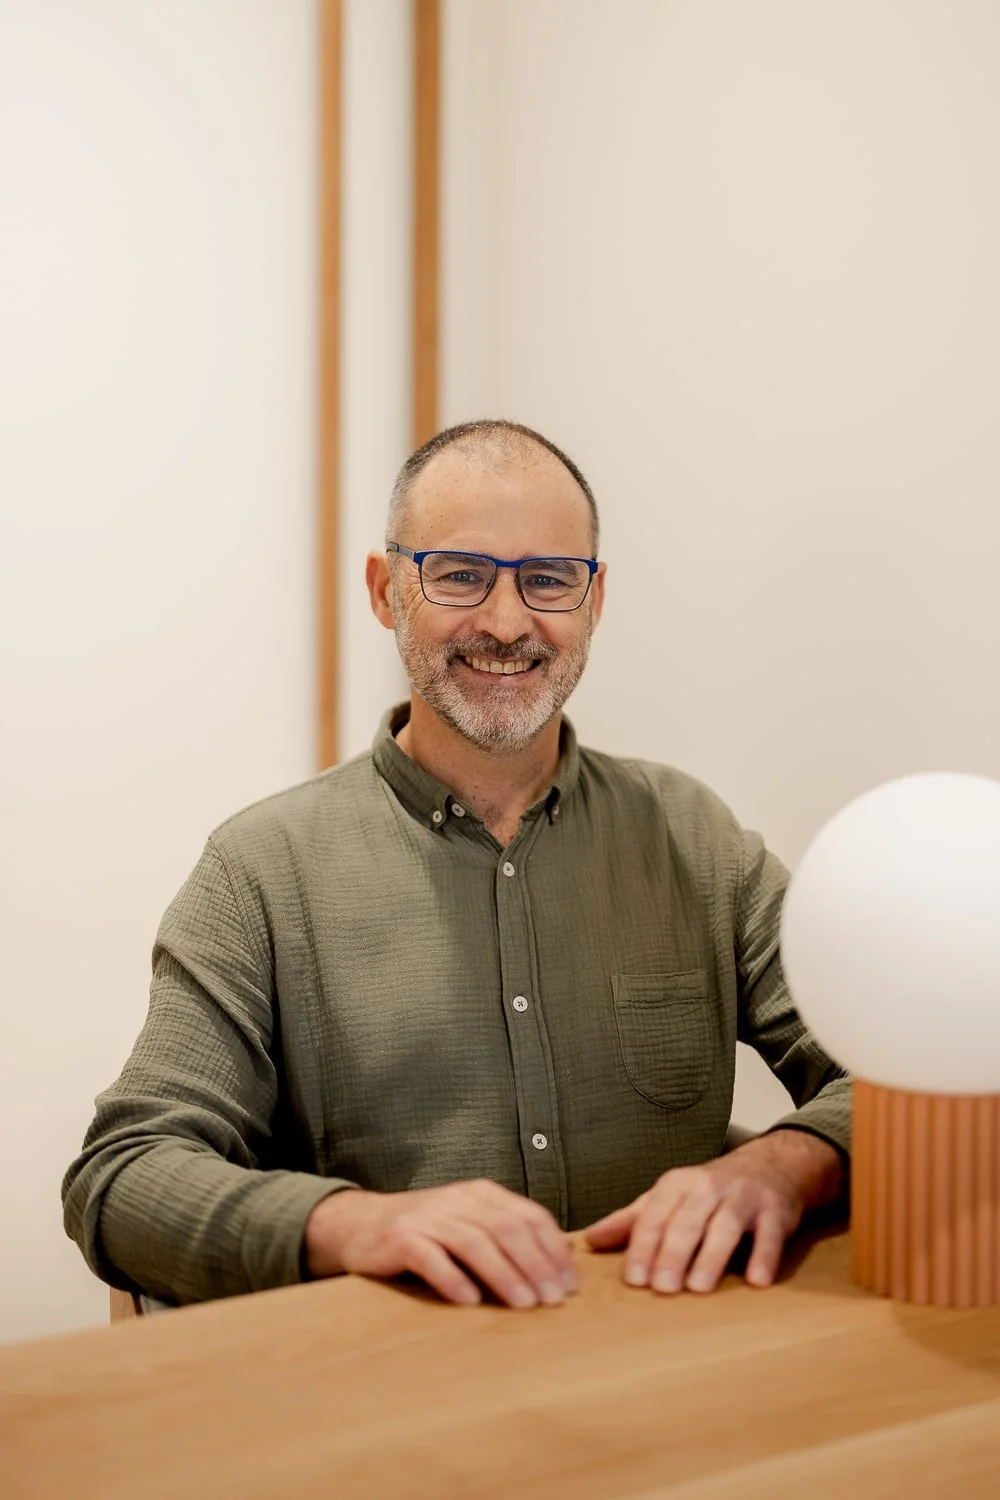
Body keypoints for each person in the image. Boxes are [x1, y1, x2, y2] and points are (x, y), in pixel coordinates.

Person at [63, 419, 850, 1313]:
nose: (507, 622)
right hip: (392, 1401)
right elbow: (124, 1173)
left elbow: (900, 1071)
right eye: (460, 574)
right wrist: (356, 1226)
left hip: (665, 1373)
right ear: (385, 590)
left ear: (595, 602)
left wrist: (786, 1166)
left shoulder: (697, 842)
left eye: (548, 579)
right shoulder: (260, 873)